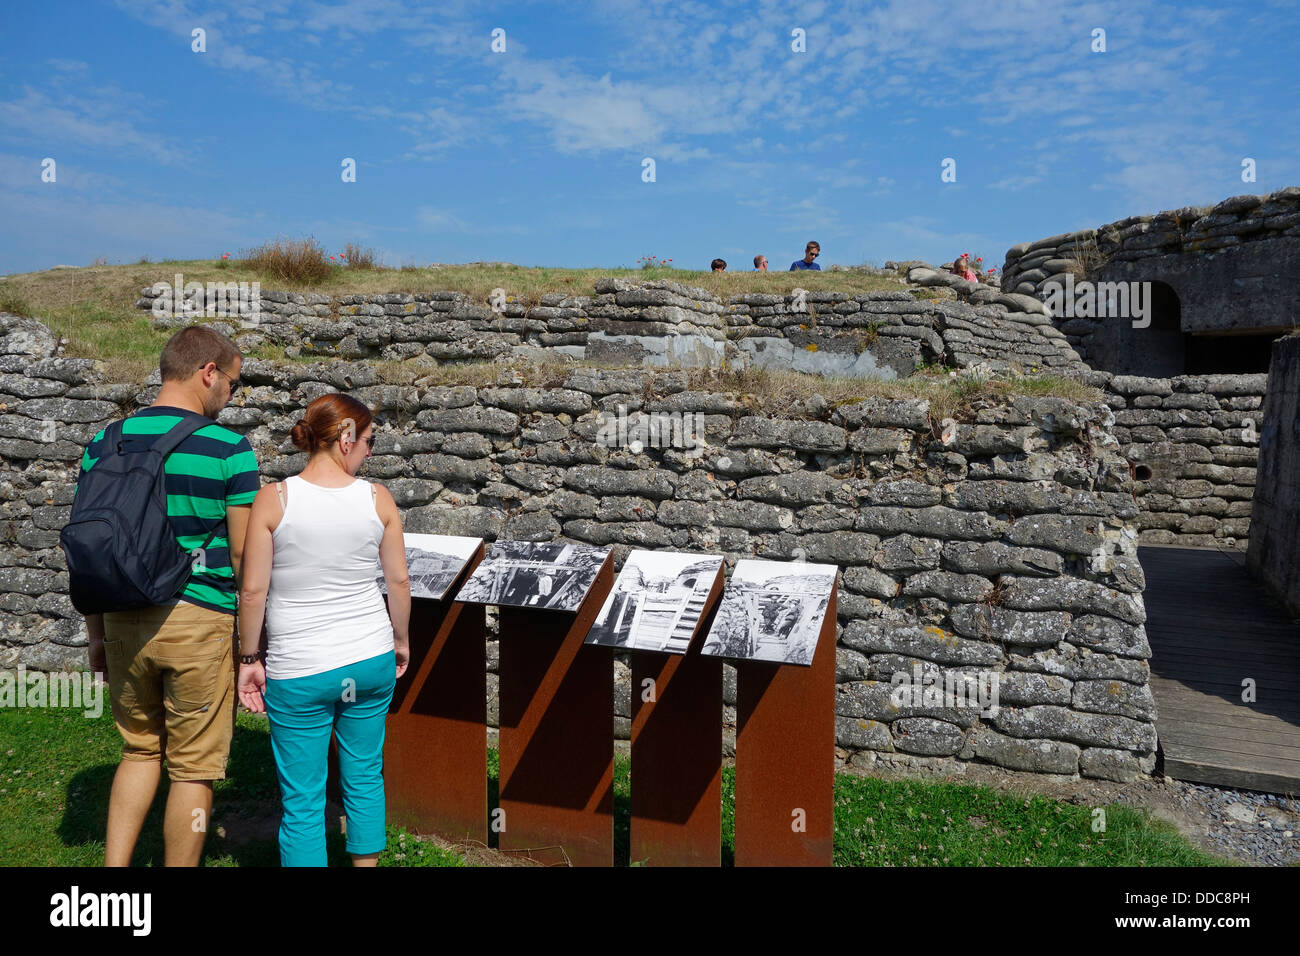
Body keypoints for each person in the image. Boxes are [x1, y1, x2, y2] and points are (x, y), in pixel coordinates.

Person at [77, 325, 259, 867]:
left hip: (120, 615)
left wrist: (95, 637)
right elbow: (247, 559)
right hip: (198, 618)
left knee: (138, 750)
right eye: (231, 382)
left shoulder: (104, 442)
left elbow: (89, 545)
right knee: (194, 767)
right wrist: (250, 647)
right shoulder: (228, 448)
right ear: (208, 373)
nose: (230, 394)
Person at [235, 394, 410, 867]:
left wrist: (249, 660)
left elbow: (252, 592)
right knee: (365, 776)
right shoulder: (379, 498)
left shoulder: (273, 499)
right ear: (346, 438)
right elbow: (397, 580)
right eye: (369, 441)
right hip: (369, 659)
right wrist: (400, 641)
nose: (370, 452)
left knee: (303, 800)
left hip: (300, 667)